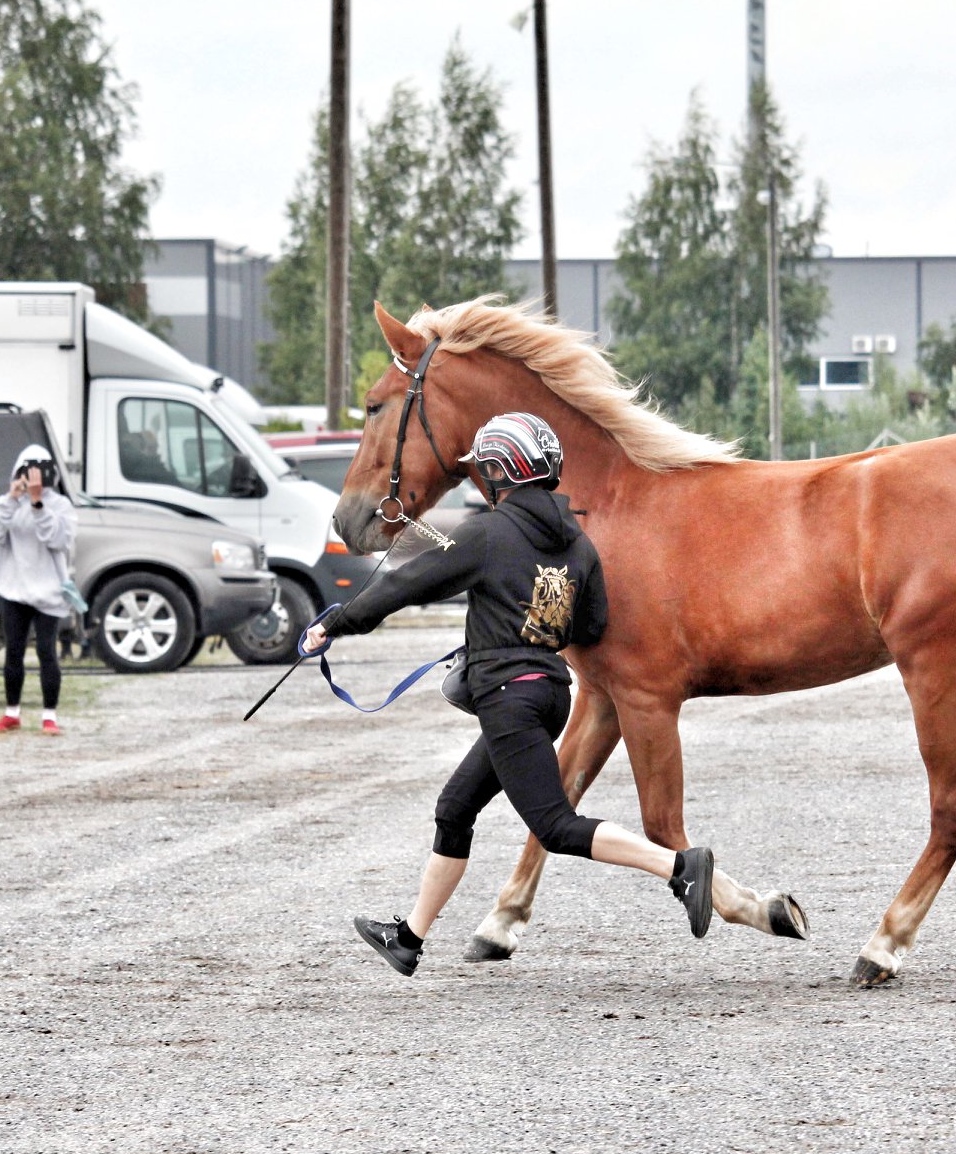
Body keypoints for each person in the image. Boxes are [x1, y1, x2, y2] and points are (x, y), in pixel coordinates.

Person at [302, 412, 715, 977]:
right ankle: (408, 939)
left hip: (508, 698)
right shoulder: (582, 547)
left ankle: (680, 867)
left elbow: (404, 584)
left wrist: (336, 624)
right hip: (548, 695)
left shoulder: (487, 533)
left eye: (485, 473)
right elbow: (590, 628)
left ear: (499, 474)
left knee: (556, 828)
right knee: (454, 809)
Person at [0, 444, 78, 736]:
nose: (35, 479)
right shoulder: (10, 504)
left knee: (47, 650)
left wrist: (37, 504)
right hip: (14, 586)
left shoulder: (60, 505)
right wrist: (14, 497)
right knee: (14, 650)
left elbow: (57, 539)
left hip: (48, 590)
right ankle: (12, 713)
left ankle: (50, 715)